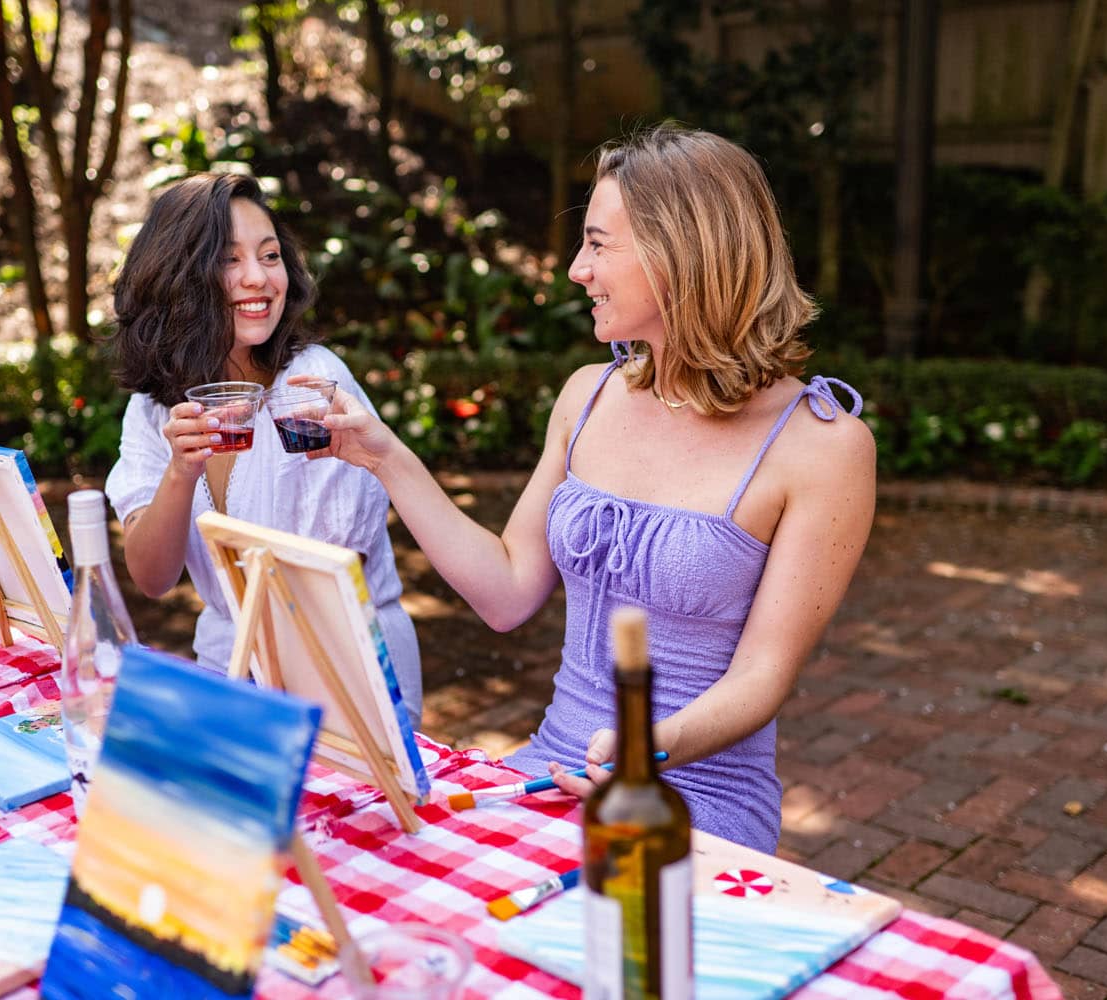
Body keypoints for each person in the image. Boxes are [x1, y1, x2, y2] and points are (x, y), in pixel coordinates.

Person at [318, 124, 876, 853]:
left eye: (598, 244)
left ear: (682, 252)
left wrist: (646, 751)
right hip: (548, 773)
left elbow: (763, 677)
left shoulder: (822, 446)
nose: (577, 269)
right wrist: (386, 458)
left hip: (694, 801)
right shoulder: (588, 395)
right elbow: (507, 593)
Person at [103, 172, 423, 722]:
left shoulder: (311, 388)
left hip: (342, 674)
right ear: (180, 277)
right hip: (227, 666)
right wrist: (180, 473)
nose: (259, 278)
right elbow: (152, 579)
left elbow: (323, 584)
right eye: (230, 260)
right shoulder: (155, 409)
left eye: (270, 256)